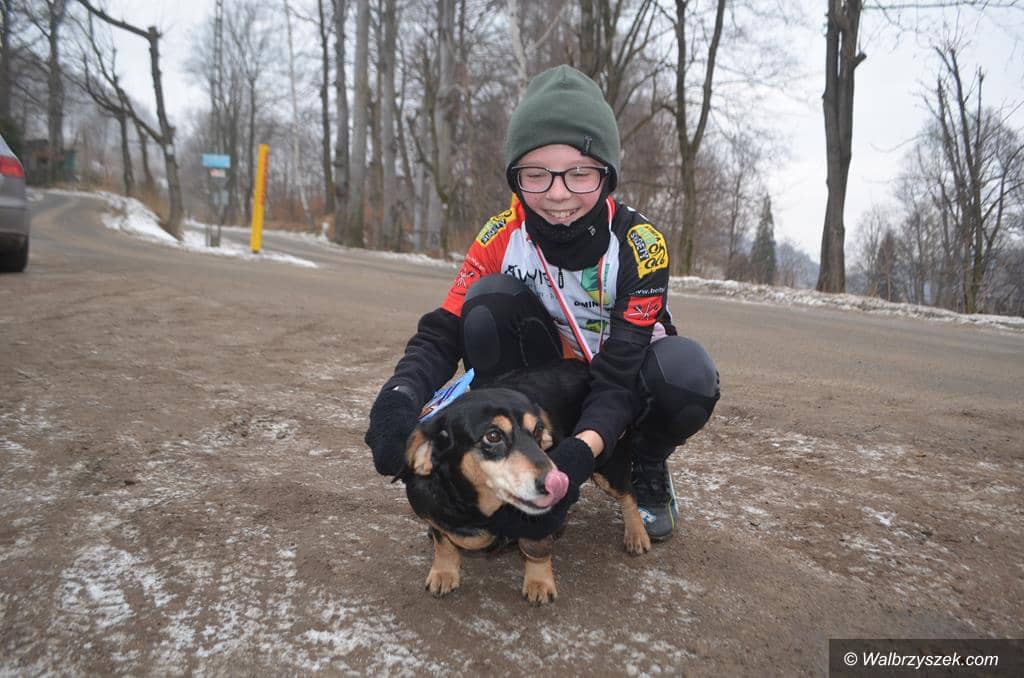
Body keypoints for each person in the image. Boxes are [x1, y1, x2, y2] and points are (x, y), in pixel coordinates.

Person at [364, 65, 719, 542]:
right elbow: (442, 331)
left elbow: (616, 381)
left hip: (623, 374)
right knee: (485, 303)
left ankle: (645, 462)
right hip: (549, 374)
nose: (557, 193)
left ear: (607, 175)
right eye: (535, 174)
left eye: (580, 173)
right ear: (516, 177)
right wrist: (398, 398)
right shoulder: (500, 233)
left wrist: (577, 458)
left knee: (687, 375)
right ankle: (515, 459)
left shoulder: (642, 245)